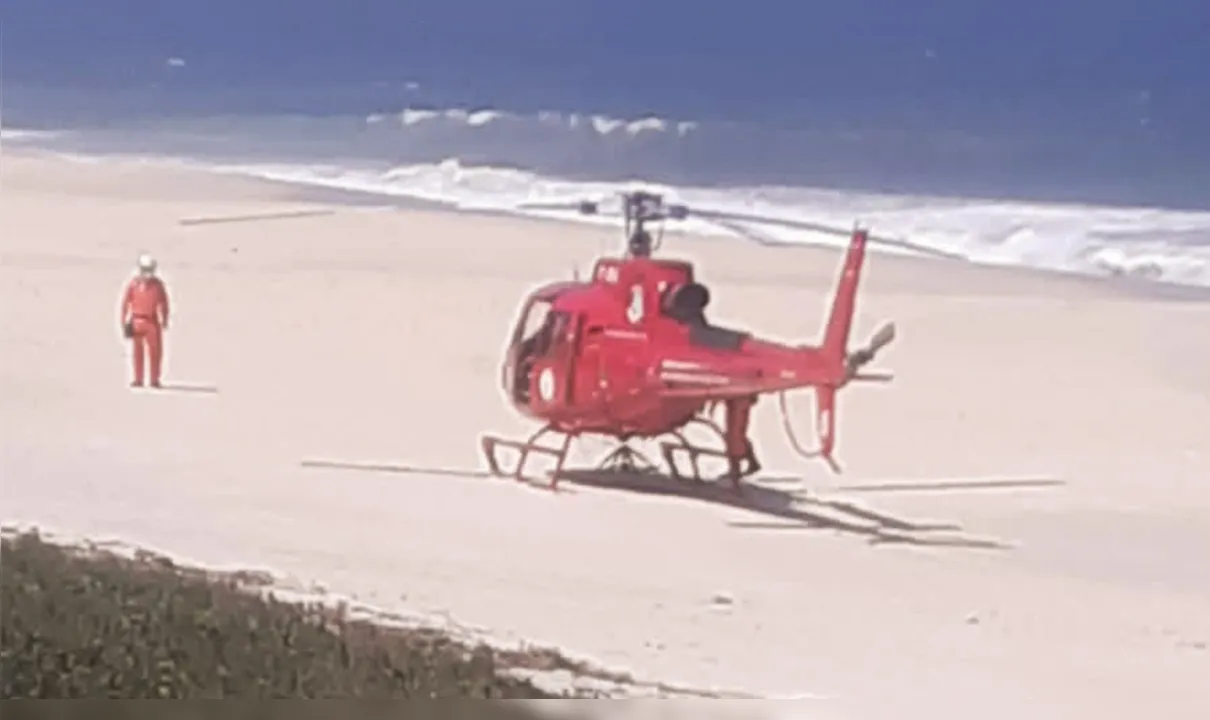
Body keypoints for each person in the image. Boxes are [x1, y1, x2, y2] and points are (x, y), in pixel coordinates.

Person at [120, 253, 170, 388]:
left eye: (149, 270)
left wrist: (165, 318)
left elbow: (164, 303)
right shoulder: (133, 284)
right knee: (137, 352)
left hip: (152, 320)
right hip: (137, 319)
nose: (147, 273)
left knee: (155, 352)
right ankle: (138, 378)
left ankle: (154, 379)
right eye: (145, 270)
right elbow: (125, 303)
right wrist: (123, 320)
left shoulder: (157, 285)